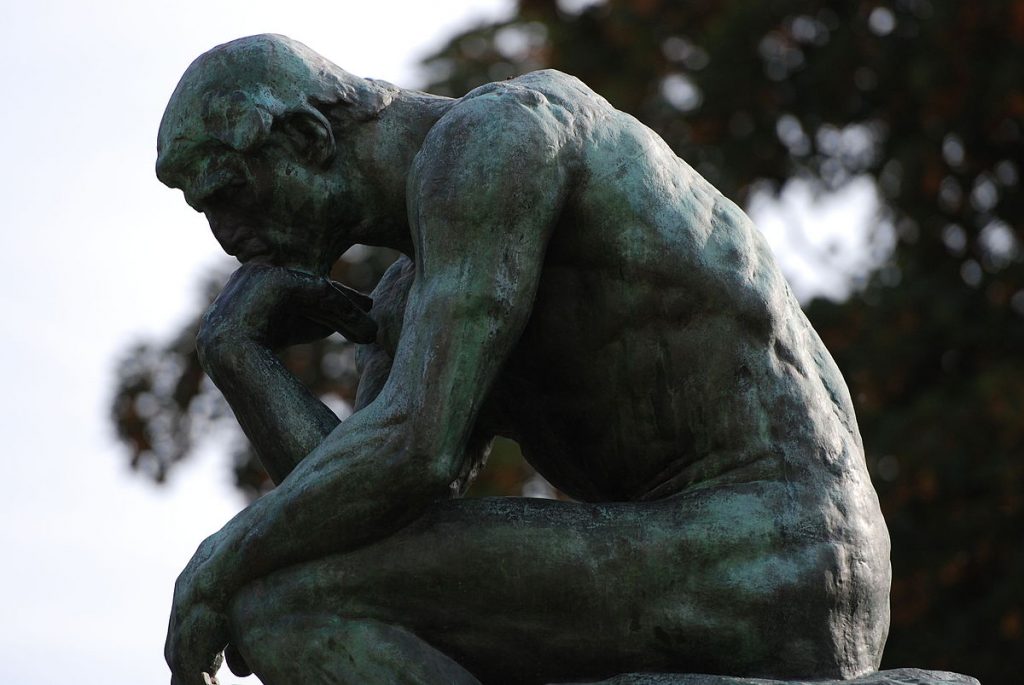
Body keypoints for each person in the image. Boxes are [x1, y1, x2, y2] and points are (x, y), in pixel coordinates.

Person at [155, 34, 890, 685]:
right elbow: (363, 510)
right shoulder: (415, 289)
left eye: (231, 194)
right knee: (290, 592)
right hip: (697, 549)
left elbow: (413, 450)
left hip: (787, 551)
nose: (227, 236)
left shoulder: (495, 142)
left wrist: (221, 562)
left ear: (311, 138)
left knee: (285, 605)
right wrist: (238, 355)